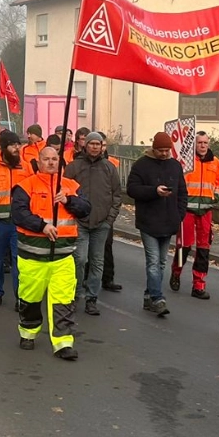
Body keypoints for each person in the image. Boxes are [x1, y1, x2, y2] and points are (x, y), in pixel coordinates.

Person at [12, 144, 91, 360]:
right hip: (33, 256)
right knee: (30, 298)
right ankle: (28, 333)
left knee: (63, 300)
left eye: (54, 159)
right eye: (46, 159)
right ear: (38, 162)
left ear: (59, 162)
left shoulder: (70, 186)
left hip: (63, 256)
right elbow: (19, 214)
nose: (51, 162)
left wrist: (68, 200)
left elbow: (86, 209)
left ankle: (63, 343)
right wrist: (42, 226)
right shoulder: (25, 186)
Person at [127, 132, 187, 318]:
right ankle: (157, 298)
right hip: (148, 222)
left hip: (169, 222)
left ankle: (149, 295)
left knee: (161, 262)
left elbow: (182, 193)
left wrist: (179, 215)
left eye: (167, 150)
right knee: (153, 261)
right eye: (161, 150)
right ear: (154, 149)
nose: (164, 153)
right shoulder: (141, 165)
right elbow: (132, 189)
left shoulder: (175, 166)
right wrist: (154, 191)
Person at [67, 131, 121, 316]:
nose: (95, 147)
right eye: (92, 143)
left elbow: (116, 195)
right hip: (79, 222)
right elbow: (65, 192)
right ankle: (75, 295)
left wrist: (109, 219)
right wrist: (71, 216)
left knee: (97, 261)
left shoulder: (109, 168)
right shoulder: (74, 167)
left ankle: (92, 298)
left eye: (98, 144)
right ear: (85, 145)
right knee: (80, 260)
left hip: (101, 223)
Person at [0, 129, 31, 307]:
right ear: (3, 147)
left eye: (18, 144)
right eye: (12, 145)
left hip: (20, 223)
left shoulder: (26, 167)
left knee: (20, 262)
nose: (17, 148)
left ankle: (20, 297)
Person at [173, 131, 219, 300]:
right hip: (187, 210)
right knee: (184, 246)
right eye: (199, 143)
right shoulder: (186, 162)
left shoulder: (216, 163)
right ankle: (176, 272)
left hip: (206, 211)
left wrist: (216, 196)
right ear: (194, 144)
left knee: (203, 249)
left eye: (205, 143)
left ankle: (199, 285)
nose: (202, 146)